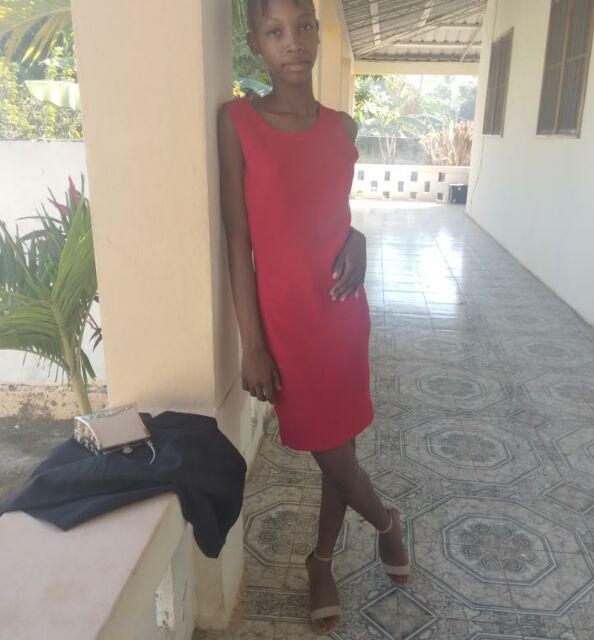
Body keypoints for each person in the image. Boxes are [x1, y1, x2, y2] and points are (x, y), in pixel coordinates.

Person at [217, 0, 410, 634]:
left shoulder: (343, 127)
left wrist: (358, 237)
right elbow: (239, 239)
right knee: (332, 453)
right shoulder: (237, 121)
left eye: (303, 27)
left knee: (339, 449)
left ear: (318, 34)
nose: (292, 42)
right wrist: (251, 343)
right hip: (286, 326)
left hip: (341, 314)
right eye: (274, 31)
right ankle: (386, 521)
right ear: (255, 42)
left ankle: (321, 561)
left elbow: (328, 213)